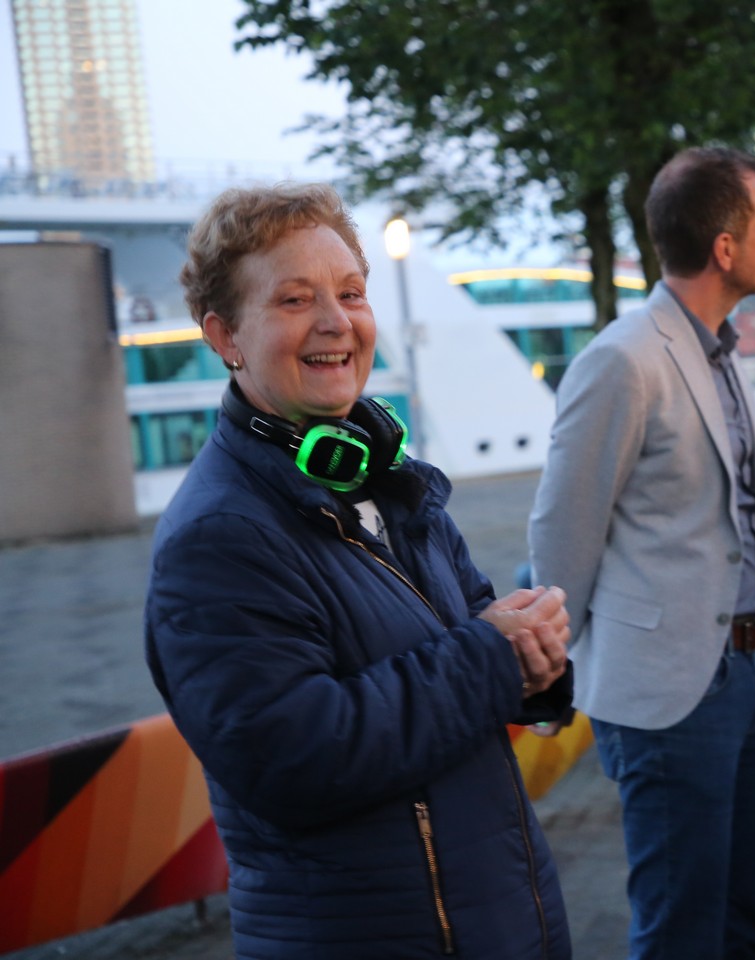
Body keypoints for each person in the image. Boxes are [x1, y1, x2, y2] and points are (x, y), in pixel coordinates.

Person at [144, 183, 574, 959]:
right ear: (224, 335)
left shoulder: (389, 481)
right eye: (295, 299)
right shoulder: (216, 538)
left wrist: (533, 660)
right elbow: (292, 759)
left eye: (350, 293)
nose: (336, 321)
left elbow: (475, 626)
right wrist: (493, 655)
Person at [529, 146, 755, 959]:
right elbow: (562, 529)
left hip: (746, 675)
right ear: (725, 248)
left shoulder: (720, 350)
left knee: (745, 924)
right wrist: (550, 672)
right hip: (668, 696)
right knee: (679, 934)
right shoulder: (623, 358)